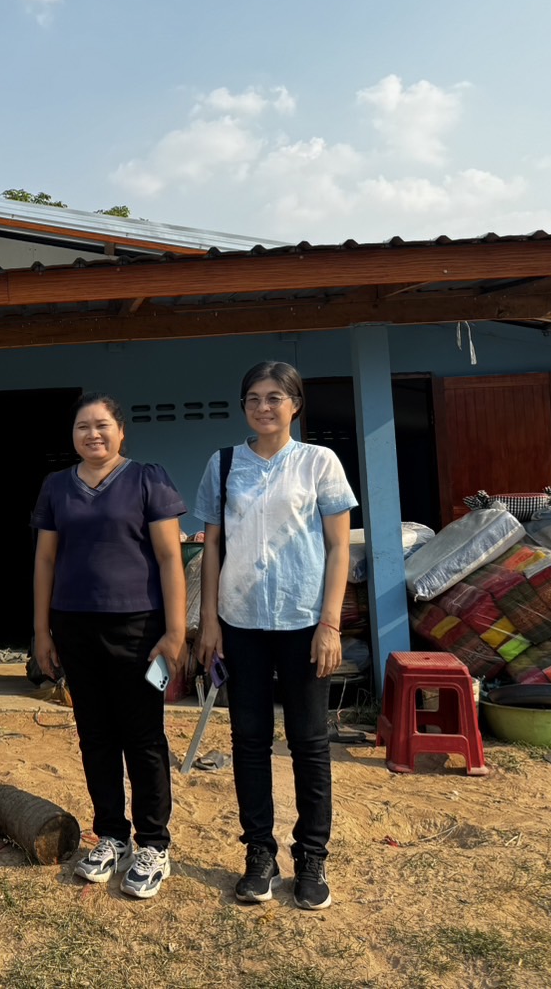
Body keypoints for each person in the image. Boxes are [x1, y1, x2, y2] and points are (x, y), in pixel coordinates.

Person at [193, 361, 355, 911]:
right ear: (244, 407)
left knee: (310, 743)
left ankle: (311, 857)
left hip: (305, 621)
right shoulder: (224, 464)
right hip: (241, 623)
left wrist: (331, 623)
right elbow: (211, 547)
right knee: (249, 741)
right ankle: (259, 853)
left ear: (295, 404)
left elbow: (339, 548)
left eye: (276, 397)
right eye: (254, 398)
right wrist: (209, 620)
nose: (264, 406)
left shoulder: (318, 463)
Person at [31, 393, 189, 900]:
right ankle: (112, 836)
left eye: (102, 425)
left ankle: (153, 844)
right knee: (94, 735)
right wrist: (41, 632)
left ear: (121, 431)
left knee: (143, 737)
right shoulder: (57, 487)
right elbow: (45, 563)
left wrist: (175, 629)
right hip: (75, 629)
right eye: (82, 427)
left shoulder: (148, 478)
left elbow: (170, 559)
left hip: (139, 629)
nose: (92, 434)